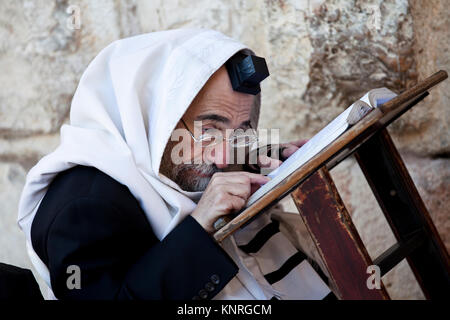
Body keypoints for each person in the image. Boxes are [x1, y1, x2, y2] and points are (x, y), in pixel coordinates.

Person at [17, 29, 334, 300]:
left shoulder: (174, 160)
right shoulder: (82, 209)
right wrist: (199, 225)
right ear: (151, 120)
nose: (225, 157)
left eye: (240, 134)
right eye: (209, 130)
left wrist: (271, 161)